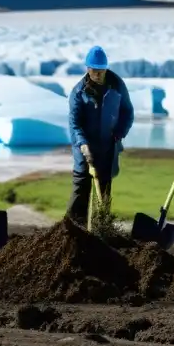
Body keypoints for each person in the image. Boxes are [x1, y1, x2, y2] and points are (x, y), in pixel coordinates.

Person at [66, 46, 134, 225]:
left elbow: (127, 112)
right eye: (94, 70)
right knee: (81, 187)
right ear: (87, 69)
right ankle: (73, 230)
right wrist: (82, 144)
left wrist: (119, 134)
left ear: (106, 68)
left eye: (101, 70)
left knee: (104, 190)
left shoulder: (117, 85)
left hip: (108, 145)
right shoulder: (78, 92)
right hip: (84, 147)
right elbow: (74, 123)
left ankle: (101, 229)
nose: (97, 74)